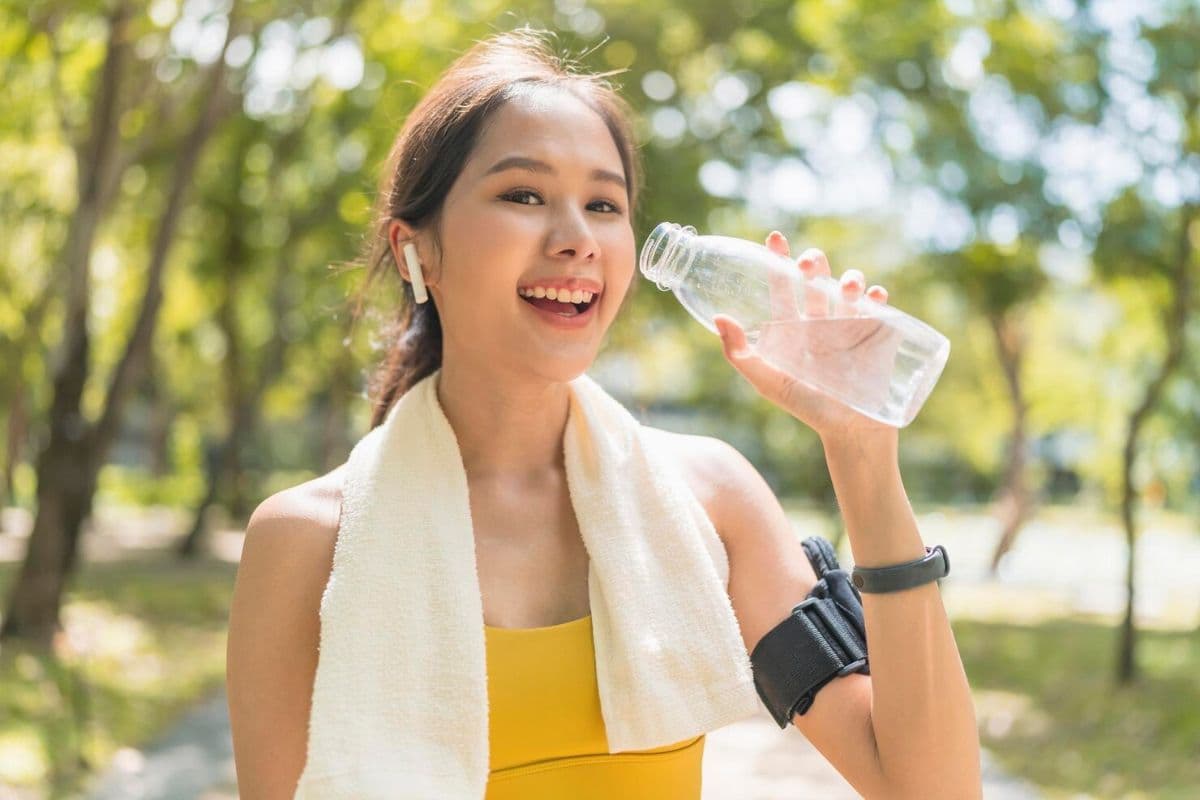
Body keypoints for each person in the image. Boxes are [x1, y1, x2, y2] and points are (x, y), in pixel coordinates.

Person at [225, 26, 981, 800]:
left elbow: (932, 791)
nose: (577, 239)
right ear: (418, 251)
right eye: (523, 195)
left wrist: (861, 451)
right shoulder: (309, 543)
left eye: (603, 204)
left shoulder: (707, 500)